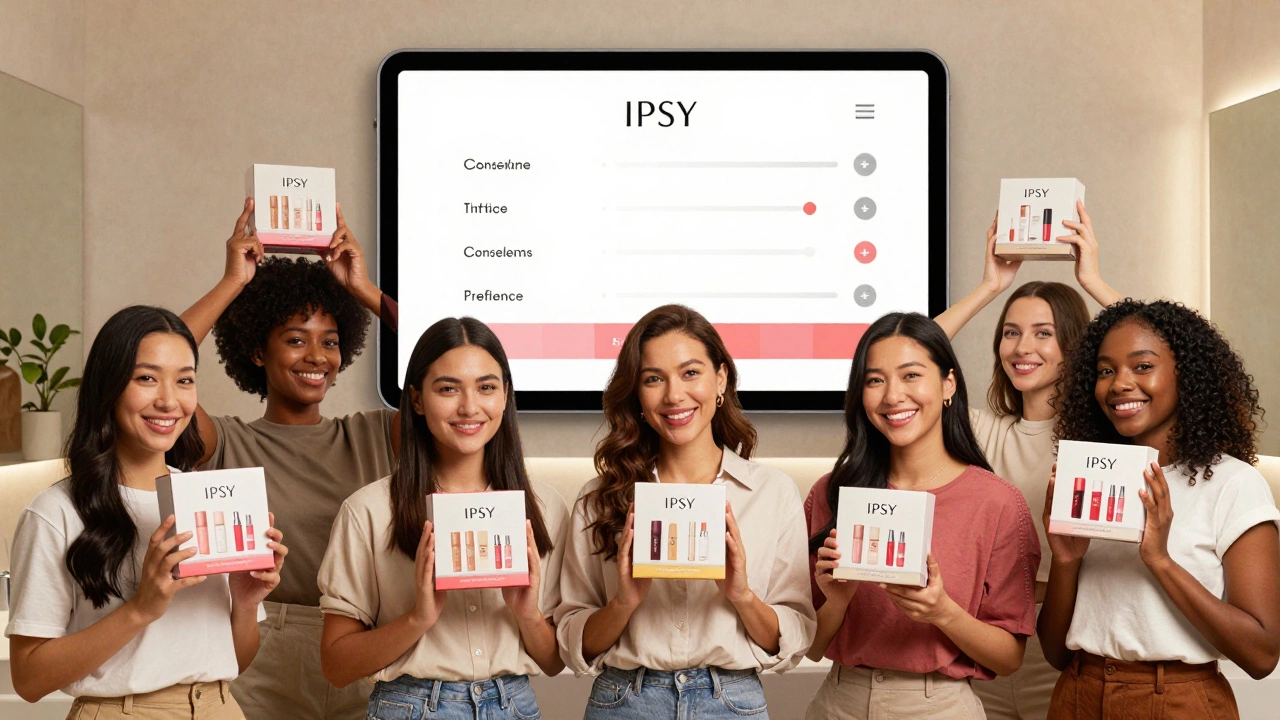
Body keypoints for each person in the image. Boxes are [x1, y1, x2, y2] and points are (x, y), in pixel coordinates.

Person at [5, 305, 286, 719]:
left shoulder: (207, 498)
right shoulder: (56, 512)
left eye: (185, 380)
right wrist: (141, 608)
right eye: (146, 378)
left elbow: (235, 663)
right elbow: (28, 680)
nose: (169, 400)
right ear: (110, 387)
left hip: (221, 707)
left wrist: (244, 604)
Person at [180, 199, 399, 719]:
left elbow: (458, 360)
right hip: (262, 651)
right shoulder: (225, 444)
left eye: (330, 342)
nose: (316, 357)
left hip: (363, 642)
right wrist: (234, 282)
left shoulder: (376, 434)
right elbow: (145, 364)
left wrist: (362, 289)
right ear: (258, 350)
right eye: (295, 340)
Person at [555, 304, 816, 719]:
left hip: (732, 702)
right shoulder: (598, 500)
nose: (674, 395)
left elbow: (793, 638)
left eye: (690, 373)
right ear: (637, 395)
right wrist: (624, 602)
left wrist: (742, 596)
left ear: (721, 378)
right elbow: (571, 641)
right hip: (625, 701)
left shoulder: (772, 492)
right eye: (654, 379)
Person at [1038, 299, 1280, 719]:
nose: (1118, 384)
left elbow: (1261, 656)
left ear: (1187, 375)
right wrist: (1065, 560)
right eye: (1105, 370)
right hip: (1077, 695)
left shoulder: (1233, 484)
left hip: (1178, 702)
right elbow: (1056, 653)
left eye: (1142, 366)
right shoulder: (1093, 479)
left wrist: (1159, 560)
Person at [317, 316, 567, 719]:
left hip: (514, 705)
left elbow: (554, 662)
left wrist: (527, 614)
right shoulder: (368, 510)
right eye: (448, 389)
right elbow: (336, 666)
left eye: (486, 387)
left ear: (505, 395)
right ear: (416, 400)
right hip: (411, 706)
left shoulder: (544, 508)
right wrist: (419, 618)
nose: (469, 407)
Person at [933, 200, 1121, 719]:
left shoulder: (1106, 439)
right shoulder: (982, 432)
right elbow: (908, 354)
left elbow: (1171, 351)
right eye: (1011, 332)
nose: (1022, 346)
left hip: (1069, 648)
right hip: (985, 643)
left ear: (1075, 344)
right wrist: (989, 287)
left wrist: (1094, 282)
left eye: (1043, 332)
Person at [805, 312, 1041, 719]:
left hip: (941, 705)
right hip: (840, 701)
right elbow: (809, 648)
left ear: (948, 384)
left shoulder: (997, 503)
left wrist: (942, 612)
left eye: (911, 375)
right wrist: (837, 600)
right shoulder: (832, 493)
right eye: (875, 380)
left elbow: (1009, 659)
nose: (893, 395)